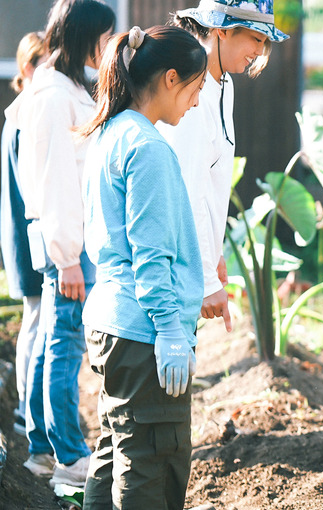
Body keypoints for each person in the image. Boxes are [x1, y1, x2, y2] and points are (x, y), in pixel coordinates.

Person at [77, 24, 207, 509]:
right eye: (194, 90)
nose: (194, 103)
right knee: (152, 463)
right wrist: (171, 330)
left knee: (116, 452)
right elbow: (151, 254)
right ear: (171, 79)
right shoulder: (148, 148)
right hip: (143, 332)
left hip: (113, 324)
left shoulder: (112, 132)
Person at [3, 0, 115, 487]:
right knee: (63, 349)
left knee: (55, 344)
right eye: (104, 37)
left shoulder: (64, 85)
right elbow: (50, 182)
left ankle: (44, 451)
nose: (108, 46)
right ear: (83, 37)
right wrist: (67, 258)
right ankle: (69, 456)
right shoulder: (52, 94)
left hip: (68, 244)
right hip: (65, 247)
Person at [161, 0, 289, 334]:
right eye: (255, 38)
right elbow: (186, 191)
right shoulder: (191, 87)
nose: (259, 51)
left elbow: (211, 179)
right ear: (221, 30)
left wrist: (213, 253)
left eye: (264, 42)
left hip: (191, 263)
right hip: (171, 269)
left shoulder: (224, 85)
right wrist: (203, 280)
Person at [1, 30, 47, 435]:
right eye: (48, 61)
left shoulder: (22, 111)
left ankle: (26, 411)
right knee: (35, 321)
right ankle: (25, 413)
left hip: (22, 235)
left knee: (35, 320)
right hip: (27, 235)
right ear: (29, 67)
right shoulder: (24, 116)